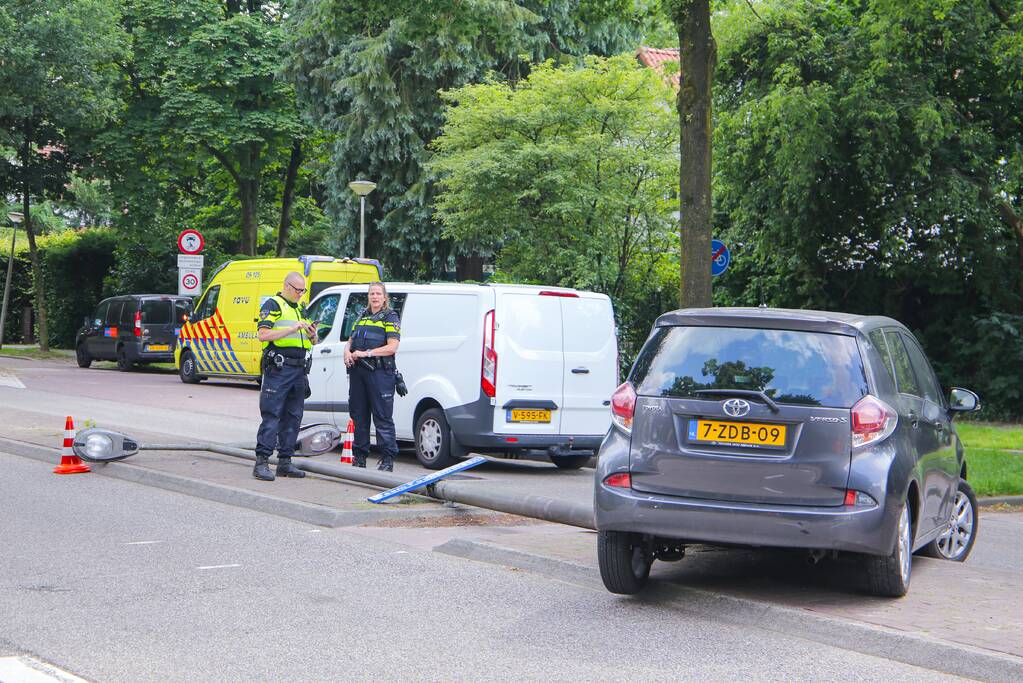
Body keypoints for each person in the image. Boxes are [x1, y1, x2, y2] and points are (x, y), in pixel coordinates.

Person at [253, 272, 317, 481]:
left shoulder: (301, 309)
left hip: (299, 370)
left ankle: (285, 462)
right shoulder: (273, 305)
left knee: (293, 416)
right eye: (298, 290)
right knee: (272, 415)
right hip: (279, 369)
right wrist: (291, 329)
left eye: (303, 290)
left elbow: (313, 341)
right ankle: (261, 462)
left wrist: (312, 335)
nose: (301, 294)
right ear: (287, 286)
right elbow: (263, 334)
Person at [344, 282, 401, 471]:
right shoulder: (362, 315)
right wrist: (347, 352)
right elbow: (350, 341)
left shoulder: (390, 317)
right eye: (371, 294)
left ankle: (387, 459)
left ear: (385, 297)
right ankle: (359, 457)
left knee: (382, 417)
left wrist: (366, 353)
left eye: (378, 294)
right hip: (358, 372)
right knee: (358, 415)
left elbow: (392, 347)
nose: (374, 297)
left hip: (380, 373)